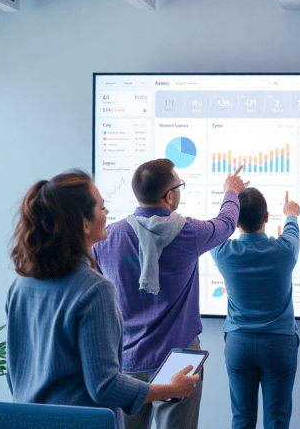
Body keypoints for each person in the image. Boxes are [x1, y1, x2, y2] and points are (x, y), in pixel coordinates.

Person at [7, 169, 199, 429]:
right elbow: (105, 387)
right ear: (84, 224)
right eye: (102, 207)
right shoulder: (94, 290)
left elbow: (14, 376)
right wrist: (169, 388)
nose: (106, 214)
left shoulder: (20, 286)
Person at [91, 159, 246, 429]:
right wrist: (231, 191)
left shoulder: (107, 238)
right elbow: (227, 223)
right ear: (169, 195)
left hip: (126, 358)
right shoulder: (190, 231)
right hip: (179, 359)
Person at [210, 189, 300, 429]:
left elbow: (219, 225)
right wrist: (291, 214)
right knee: (277, 421)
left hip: (239, 345)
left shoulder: (222, 251)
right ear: (267, 217)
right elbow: (292, 229)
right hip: (279, 345)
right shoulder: (285, 250)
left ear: (236, 222)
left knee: (242, 419)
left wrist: (228, 196)